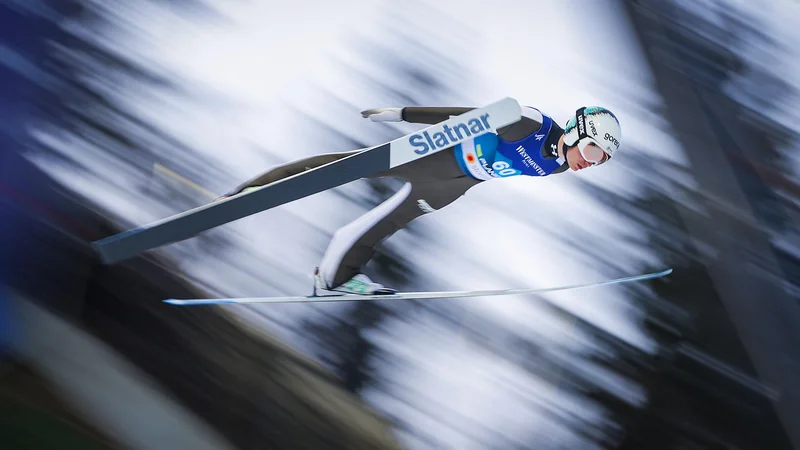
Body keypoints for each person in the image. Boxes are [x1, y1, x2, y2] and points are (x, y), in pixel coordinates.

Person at [220, 103, 622, 296]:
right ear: (575, 132)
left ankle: (334, 277)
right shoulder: (530, 123)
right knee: (343, 167)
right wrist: (404, 114)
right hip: (438, 154)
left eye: (599, 161)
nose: (589, 164)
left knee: (386, 224)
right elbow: (467, 115)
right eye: (590, 152)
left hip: (453, 184)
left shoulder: (558, 166)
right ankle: (255, 189)